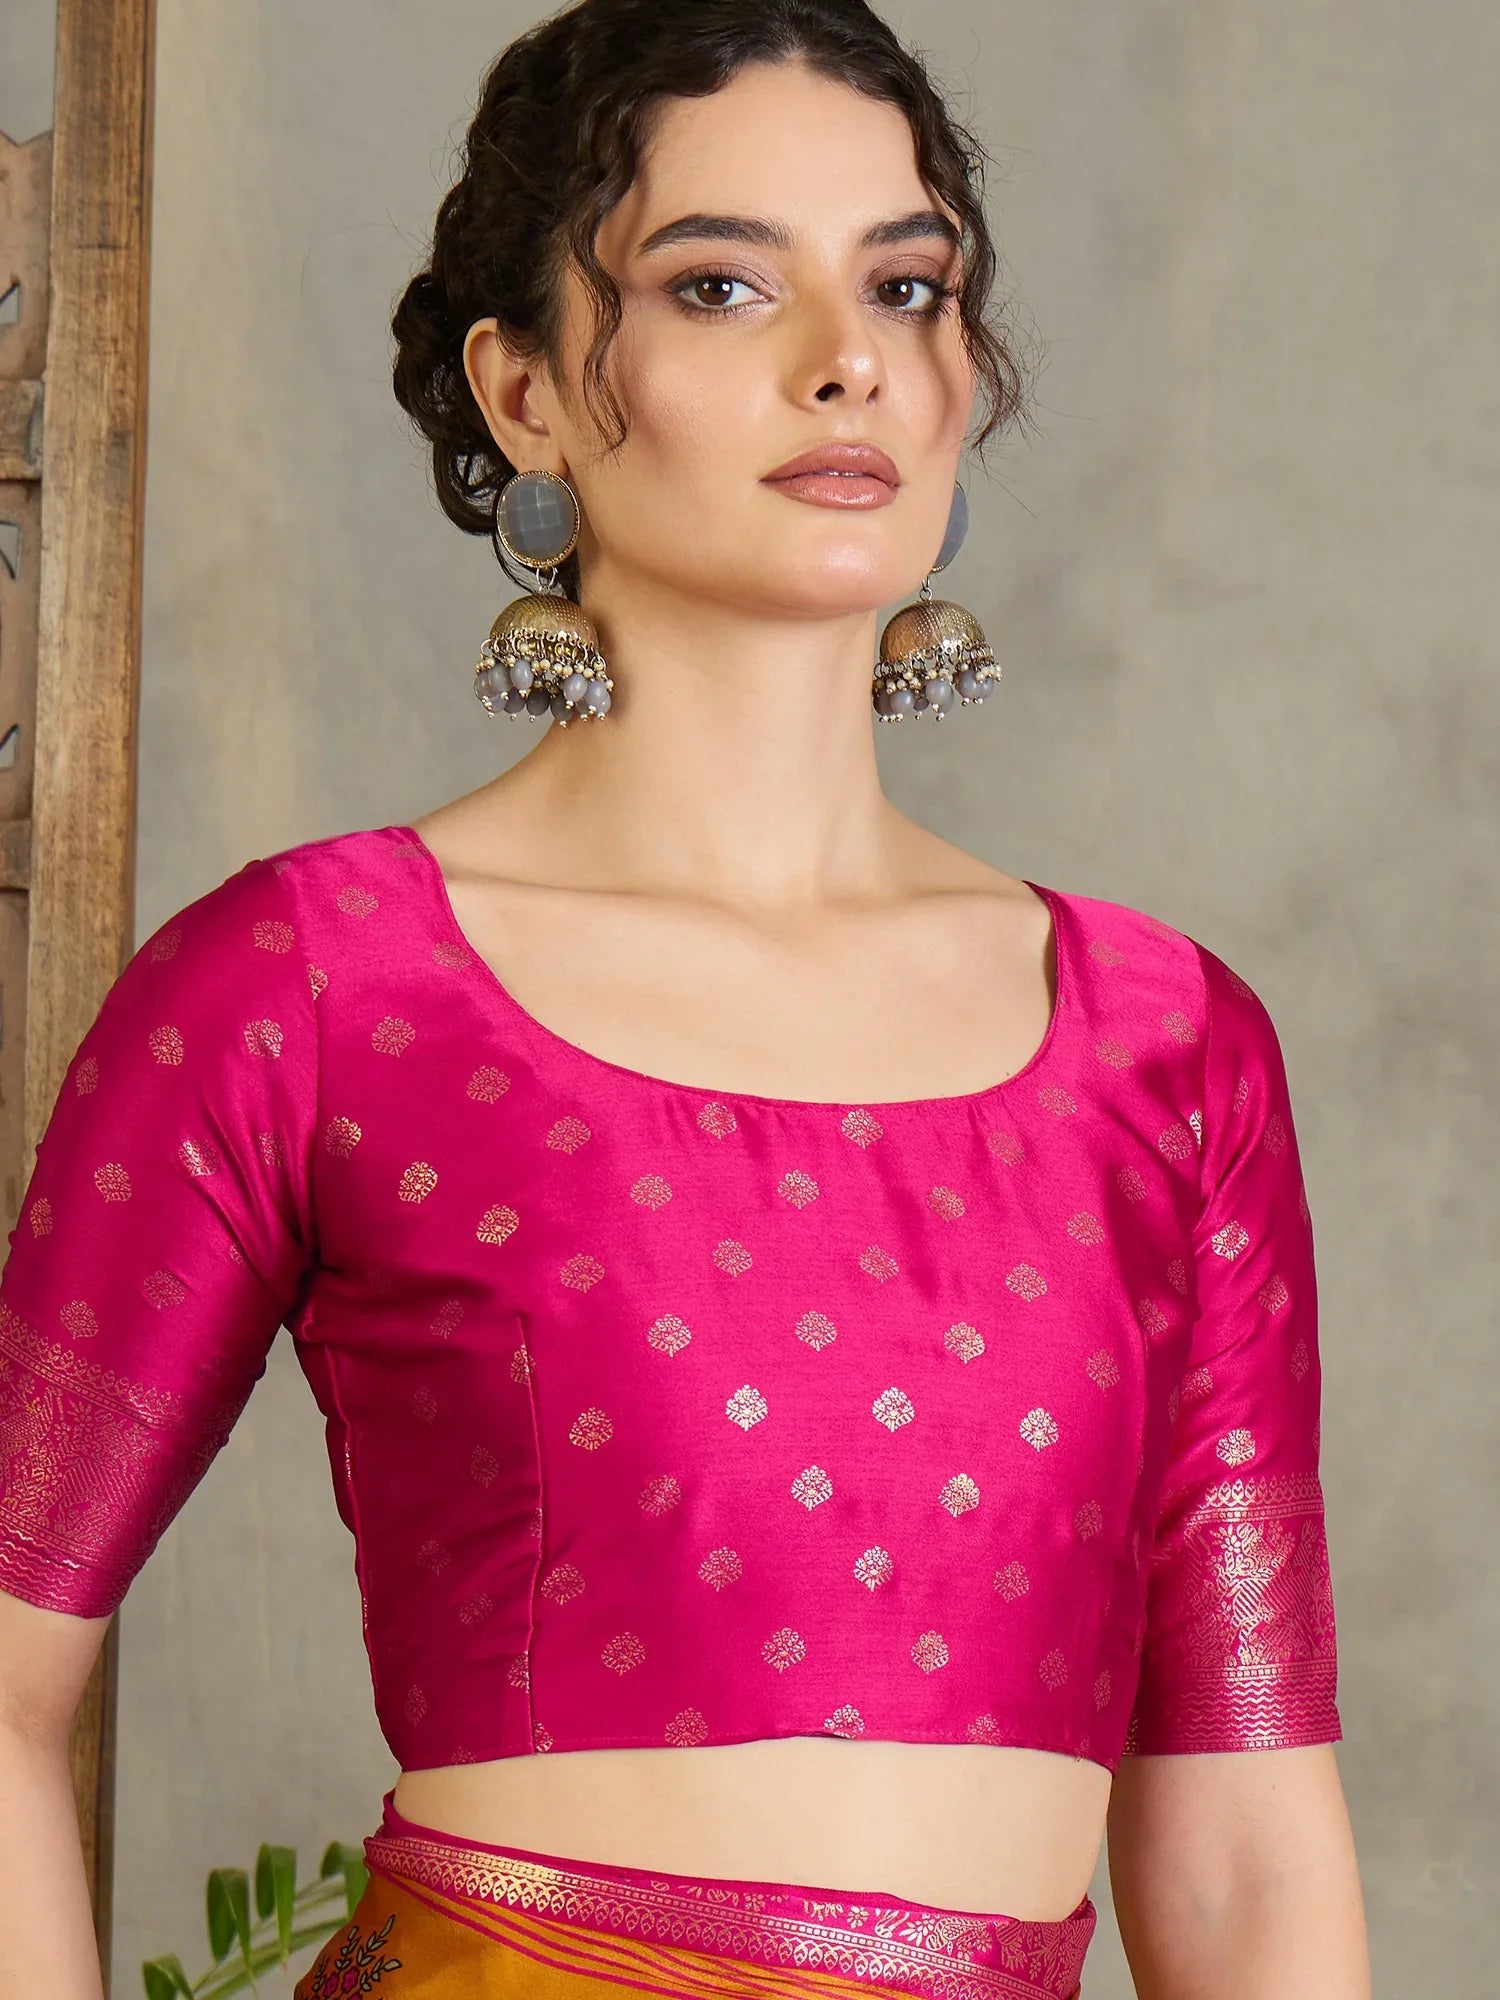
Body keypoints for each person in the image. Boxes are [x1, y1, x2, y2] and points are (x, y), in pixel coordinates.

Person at [0, 2, 1371, 1994]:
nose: (847, 358)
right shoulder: (315, 989)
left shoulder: (1164, 1047)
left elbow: (1247, 1855)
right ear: (526, 390)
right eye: (720, 284)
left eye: (906, 286)